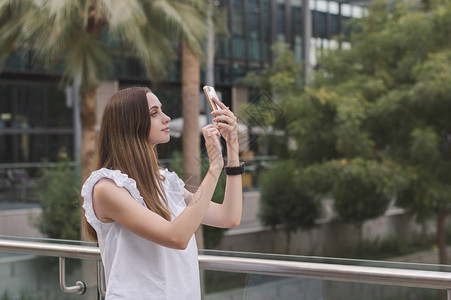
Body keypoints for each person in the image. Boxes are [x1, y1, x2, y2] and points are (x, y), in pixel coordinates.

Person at [81, 87, 243, 299]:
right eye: (154, 113)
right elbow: (176, 237)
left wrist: (232, 148)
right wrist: (214, 169)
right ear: (130, 123)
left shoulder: (165, 182)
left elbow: (228, 217)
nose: (166, 118)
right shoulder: (107, 188)